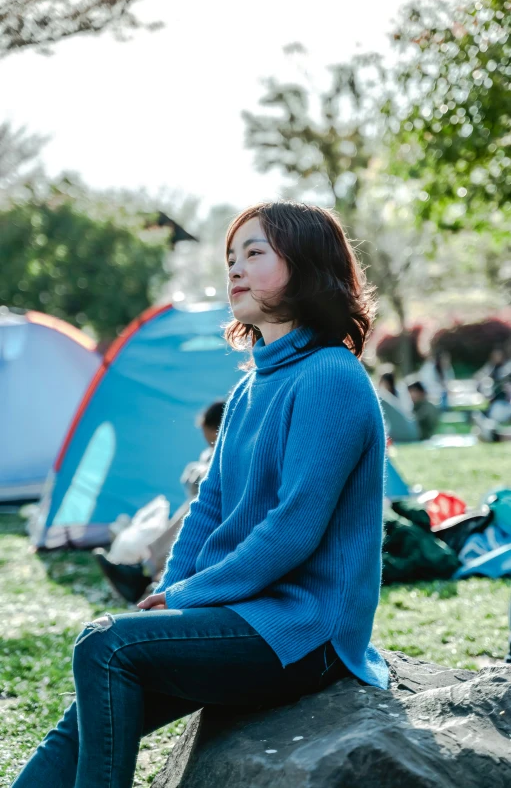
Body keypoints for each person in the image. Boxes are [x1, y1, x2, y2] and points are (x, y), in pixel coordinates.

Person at [12, 201, 389, 788]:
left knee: (104, 646)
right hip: (245, 615)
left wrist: (192, 592)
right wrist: (170, 592)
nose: (234, 270)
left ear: (308, 263)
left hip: (307, 631)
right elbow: (207, 509)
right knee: (84, 715)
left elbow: (293, 527)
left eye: (254, 253)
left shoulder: (331, 377)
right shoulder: (248, 388)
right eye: (230, 258)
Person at [93, 400, 226, 603]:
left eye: (212, 440)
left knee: (198, 508)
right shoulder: (213, 452)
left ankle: (147, 572)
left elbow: (206, 483)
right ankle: (148, 571)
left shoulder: (233, 450)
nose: (209, 445)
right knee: (196, 506)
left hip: (227, 514)